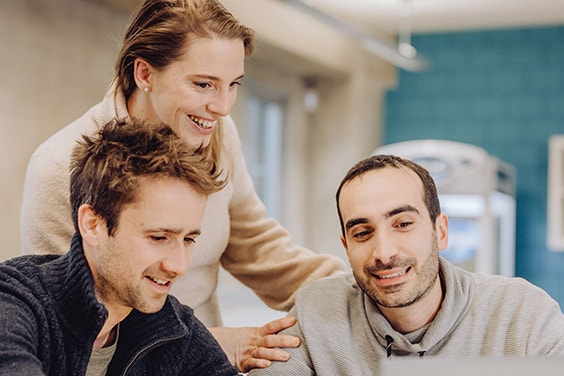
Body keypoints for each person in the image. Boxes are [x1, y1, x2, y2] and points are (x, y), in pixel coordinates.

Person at [19, 0, 346, 371]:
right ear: (144, 73)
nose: (223, 107)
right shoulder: (59, 167)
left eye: (233, 85)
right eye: (203, 84)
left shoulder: (216, 134)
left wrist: (359, 289)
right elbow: (73, 322)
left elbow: (258, 249)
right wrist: (216, 341)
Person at [248, 154, 564, 376]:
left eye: (403, 224)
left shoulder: (525, 316)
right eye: (362, 232)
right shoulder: (315, 312)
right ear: (346, 246)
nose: (383, 253)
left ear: (440, 231)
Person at [1, 120, 239, 375]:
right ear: (92, 225)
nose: (179, 266)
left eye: (189, 240)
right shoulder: (13, 303)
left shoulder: (177, 331)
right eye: (159, 238)